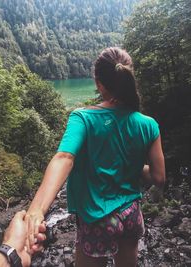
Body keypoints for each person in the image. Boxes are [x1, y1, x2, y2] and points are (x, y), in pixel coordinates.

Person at [25, 47, 165, 267]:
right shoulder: (148, 124)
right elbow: (159, 177)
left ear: (99, 84)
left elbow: (64, 158)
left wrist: (36, 210)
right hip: (131, 214)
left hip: (97, 219)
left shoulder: (82, 118)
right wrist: (135, 167)